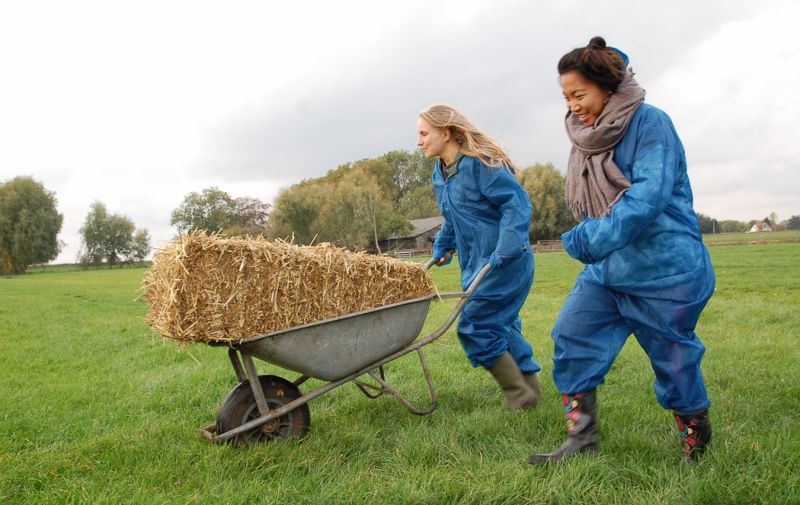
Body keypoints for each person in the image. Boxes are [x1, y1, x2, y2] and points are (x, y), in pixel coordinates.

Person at [528, 37, 715, 464]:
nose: (572, 105)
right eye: (565, 96)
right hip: (609, 271)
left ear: (608, 87)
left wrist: (587, 239)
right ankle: (581, 441)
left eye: (579, 94)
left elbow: (647, 199)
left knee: (674, 360)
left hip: (664, 271)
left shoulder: (651, 124)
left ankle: (696, 447)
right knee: (571, 336)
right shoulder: (587, 135)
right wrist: (595, 244)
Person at [416, 104, 541, 411]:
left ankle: (518, 394)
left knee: (475, 326)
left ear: (446, 133)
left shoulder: (481, 164)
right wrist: (443, 244)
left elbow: (517, 205)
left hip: (505, 260)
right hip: (475, 262)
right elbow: (453, 217)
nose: (419, 141)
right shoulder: (440, 174)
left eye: (424, 133)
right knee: (504, 325)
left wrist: (507, 247)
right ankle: (530, 390)